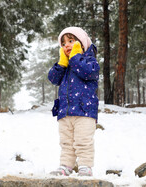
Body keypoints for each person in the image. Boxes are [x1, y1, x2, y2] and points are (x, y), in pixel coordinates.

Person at [48, 26, 100, 176]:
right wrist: (62, 63)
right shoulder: (65, 65)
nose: (67, 46)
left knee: (83, 141)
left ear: (82, 43)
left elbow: (89, 72)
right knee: (66, 143)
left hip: (84, 111)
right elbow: (53, 78)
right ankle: (66, 166)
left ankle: (85, 166)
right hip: (65, 111)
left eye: (71, 41)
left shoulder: (90, 61)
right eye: (63, 44)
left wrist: (75, 57)